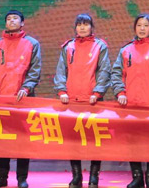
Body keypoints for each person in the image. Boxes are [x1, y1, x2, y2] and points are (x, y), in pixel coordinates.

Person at [111, 13, 149, 188]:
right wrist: (120, 92)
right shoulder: (126, 50)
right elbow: (116, 73)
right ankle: (137, 177)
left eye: (146, 25)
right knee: (133, 141)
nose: (142, 28)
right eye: (139, 25)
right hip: (130, 104)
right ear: (134, 28)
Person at [54, 13, 111, 188]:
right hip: (72, 100)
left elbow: (104, 70)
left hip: (93, 100)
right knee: (73, 140)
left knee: (95, 140)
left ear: (92, 27)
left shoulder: (100, 46)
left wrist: (98, 92)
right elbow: (61, 70)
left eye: (86, 24)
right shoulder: (68, 46)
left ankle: (94, 177)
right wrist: (62, 91)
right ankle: (76, 176)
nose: (82, 27)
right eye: (79, 24)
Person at [0, 10, 42, 188]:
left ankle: (22, 178)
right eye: (8, 19)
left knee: (22, 140)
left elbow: (35, 70)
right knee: (3, 139)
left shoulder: (32, 43)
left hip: (23, 98)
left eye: (15, 18)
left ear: (22, 23)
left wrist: (27, 88)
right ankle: (1, 177)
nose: (11, 21)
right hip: (1, 99)